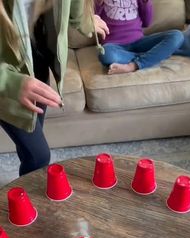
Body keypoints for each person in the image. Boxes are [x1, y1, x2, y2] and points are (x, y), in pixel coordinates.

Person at [0, 0, 109, 175]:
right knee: (39, 156)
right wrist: (9, 82)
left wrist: (86, 21)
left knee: (30, 143)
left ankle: (24, 192)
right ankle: (26, 197)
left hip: (37, 63)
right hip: (7, 80)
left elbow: (72, 9)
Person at [95, 0, 184, 75]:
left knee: (177, 36)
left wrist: (145, 2)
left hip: (139, 42)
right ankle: (154, 55)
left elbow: (147, 23)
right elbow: (93, 21)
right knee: (105, 54)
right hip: (114, 46)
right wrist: (98, 3)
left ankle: (135, 65)